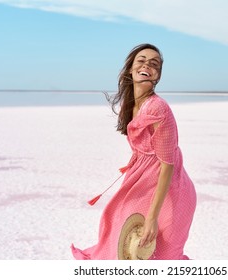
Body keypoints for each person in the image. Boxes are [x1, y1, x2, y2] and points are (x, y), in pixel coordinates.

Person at [71, 43, 196, 259]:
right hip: (143, 182)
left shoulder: (158, 108)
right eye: (141, 60)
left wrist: (151, 218)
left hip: (170, 190)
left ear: (157, 76)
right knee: (120, 243)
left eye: (154, 63)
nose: (147, 64)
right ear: (131, 68)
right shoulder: (132, 105)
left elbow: (167, 165)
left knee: (163, 258)